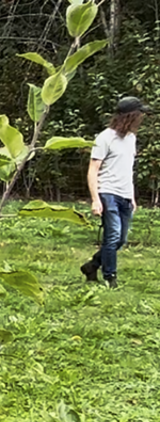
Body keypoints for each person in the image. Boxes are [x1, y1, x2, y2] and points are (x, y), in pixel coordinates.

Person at [81, 96, 152, 288]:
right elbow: (93, 170)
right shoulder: (105, 138)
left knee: (121, 239)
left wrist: (132, 196)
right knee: (112, 237)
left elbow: (127, 170)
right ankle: (110, 277)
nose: (141, 119)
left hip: (125, 195)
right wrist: (96, 200)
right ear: (131, 116)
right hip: (108, 193)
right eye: (139, 115)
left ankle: (92, 265)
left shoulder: (131, 138)